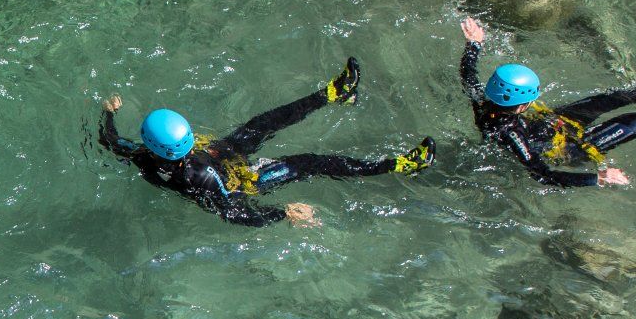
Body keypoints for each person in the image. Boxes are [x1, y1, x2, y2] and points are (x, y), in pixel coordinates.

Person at [98, 58, 433, 227]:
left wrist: (107, 114)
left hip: (217, 154)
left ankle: (333, 94)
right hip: (244, 180)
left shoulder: (142, 156)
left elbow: (110, 142)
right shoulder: (202, 178)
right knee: (310, 163)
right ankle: (400, 165)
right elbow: (235, 212)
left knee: (263, 123)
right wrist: (283, 213)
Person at [459, 17, 636, 188]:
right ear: (521, 106)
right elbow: (543, 175)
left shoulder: (483, 100)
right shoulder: (509, 132)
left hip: (551, 124)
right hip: (565, 149)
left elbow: (468, 74)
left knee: (610, 98)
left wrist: (474, 44)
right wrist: (599, 178)